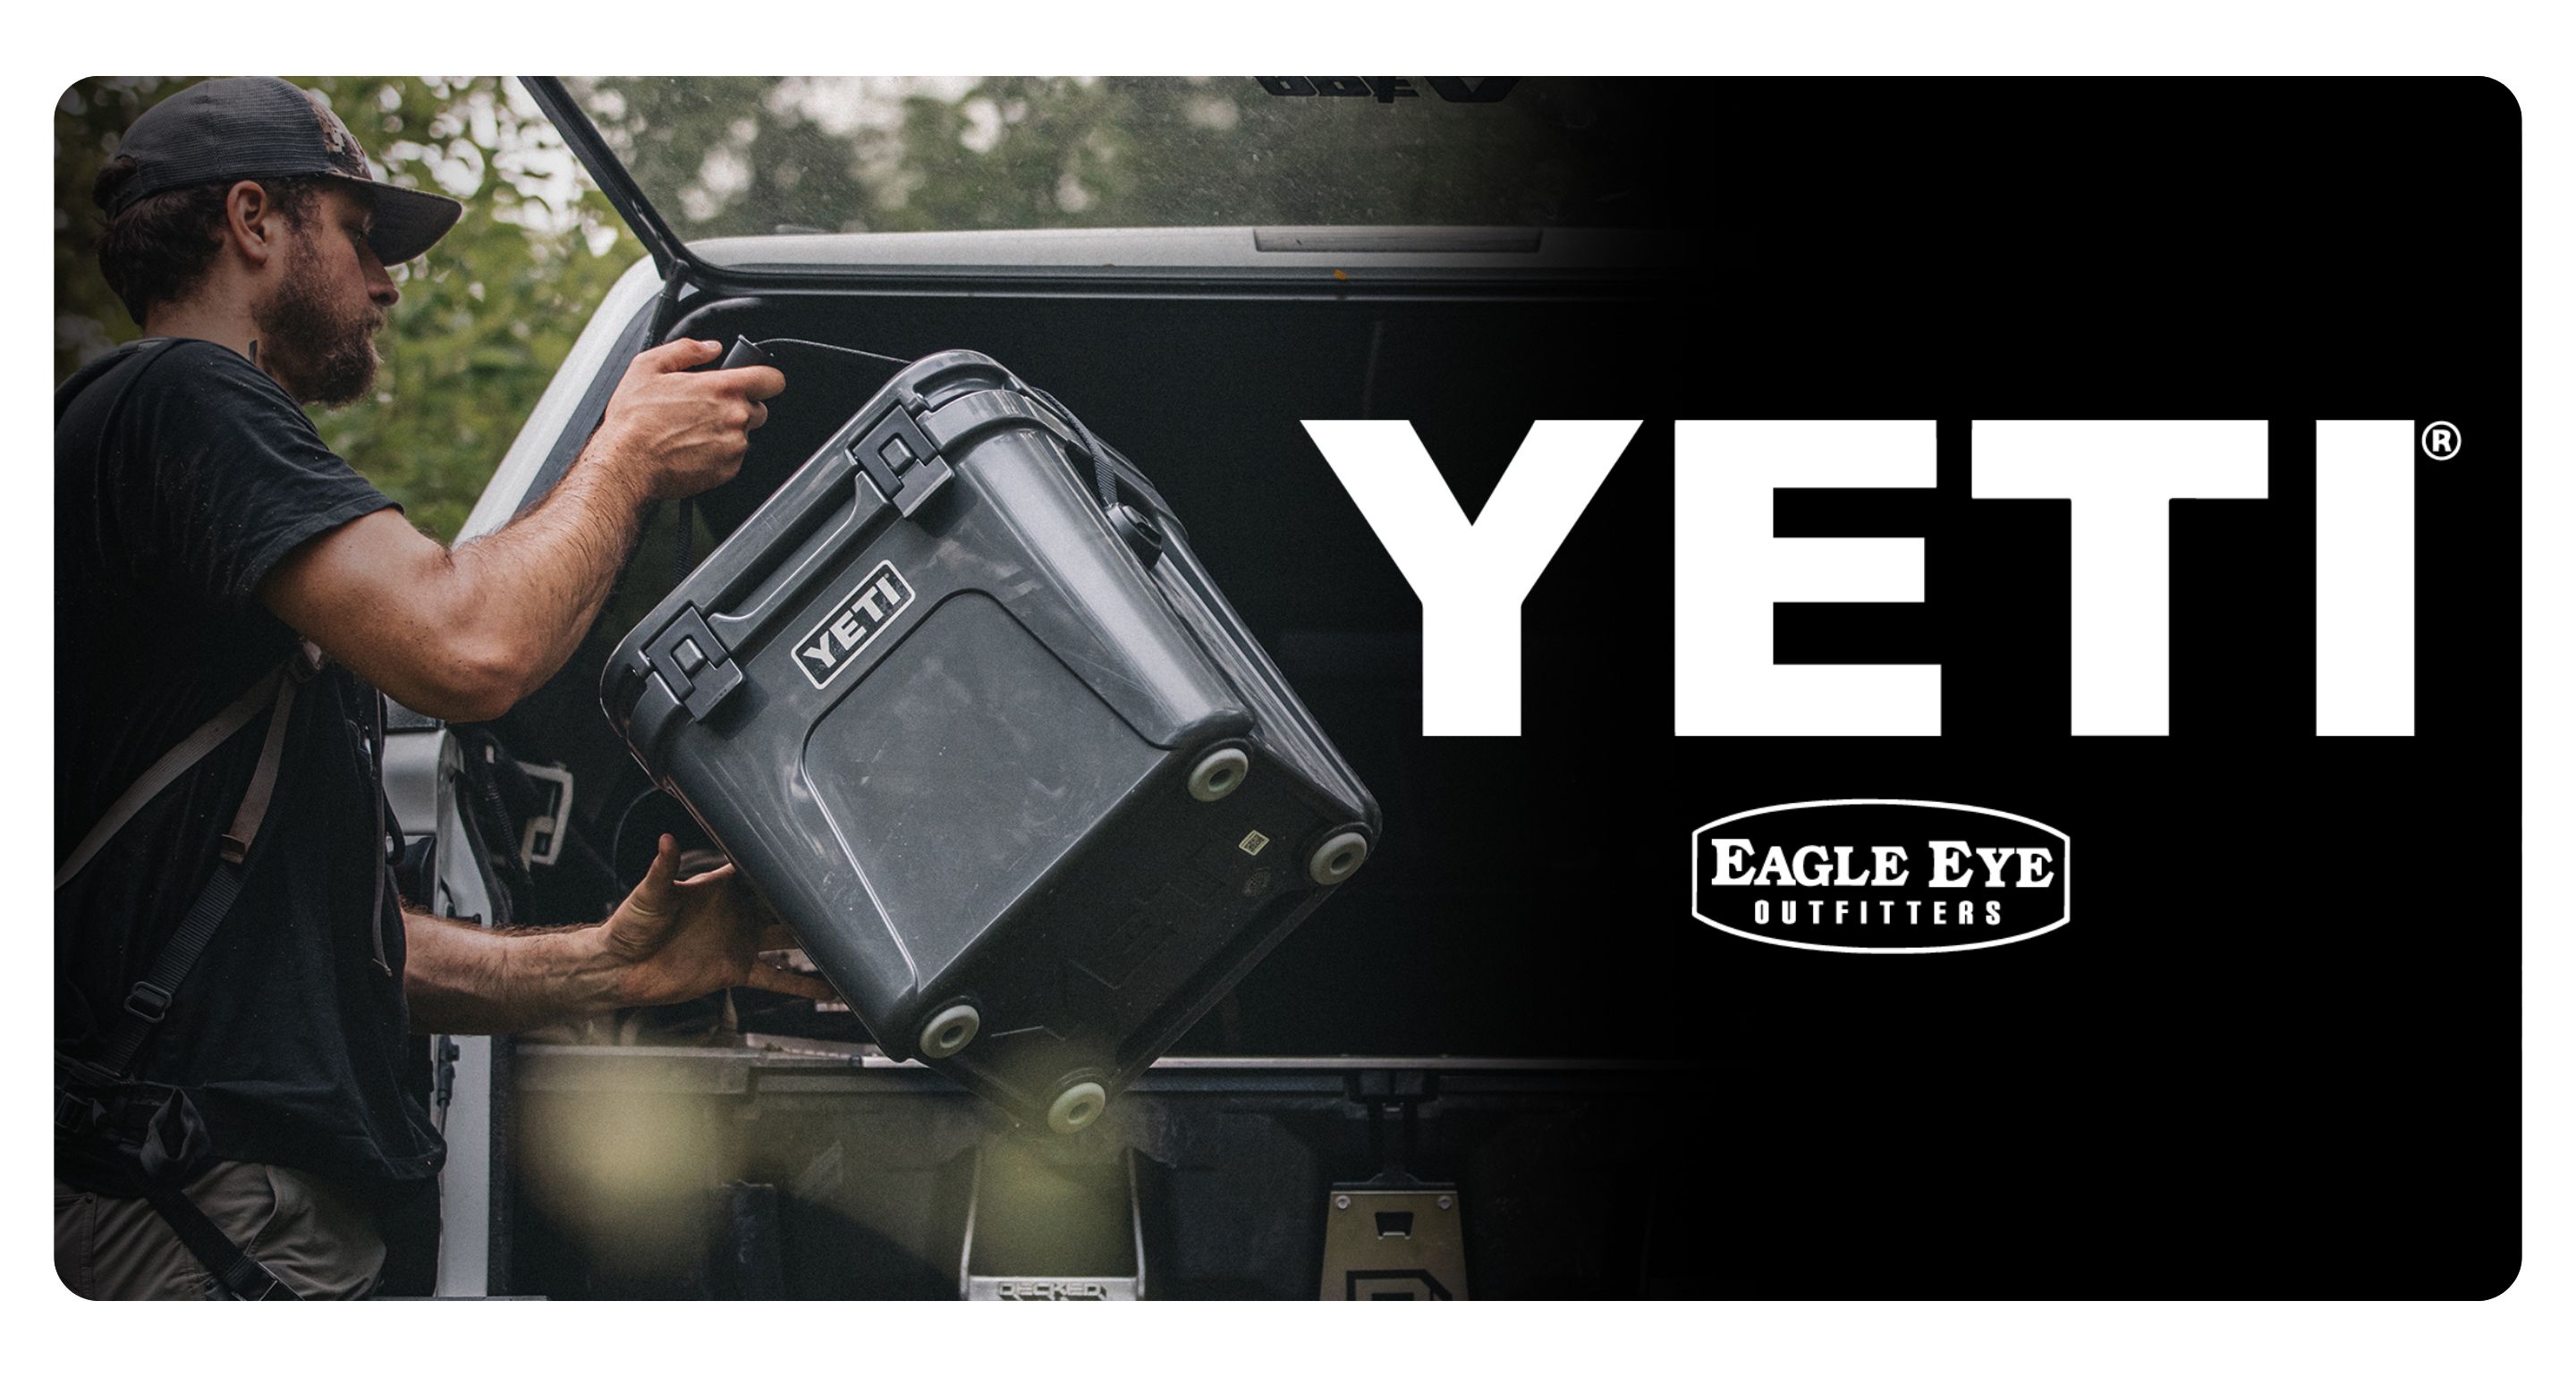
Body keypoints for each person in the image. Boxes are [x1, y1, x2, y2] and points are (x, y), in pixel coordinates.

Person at [55, 76, 828, 1300]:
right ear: (254, 220)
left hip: (215, 1203)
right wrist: (622, 456)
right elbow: (473, 650)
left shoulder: (187, 494)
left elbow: (328, 951)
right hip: (191, 1209)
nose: (386, 280)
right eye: (361, 234)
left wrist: (609, 967)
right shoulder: (183, 395)